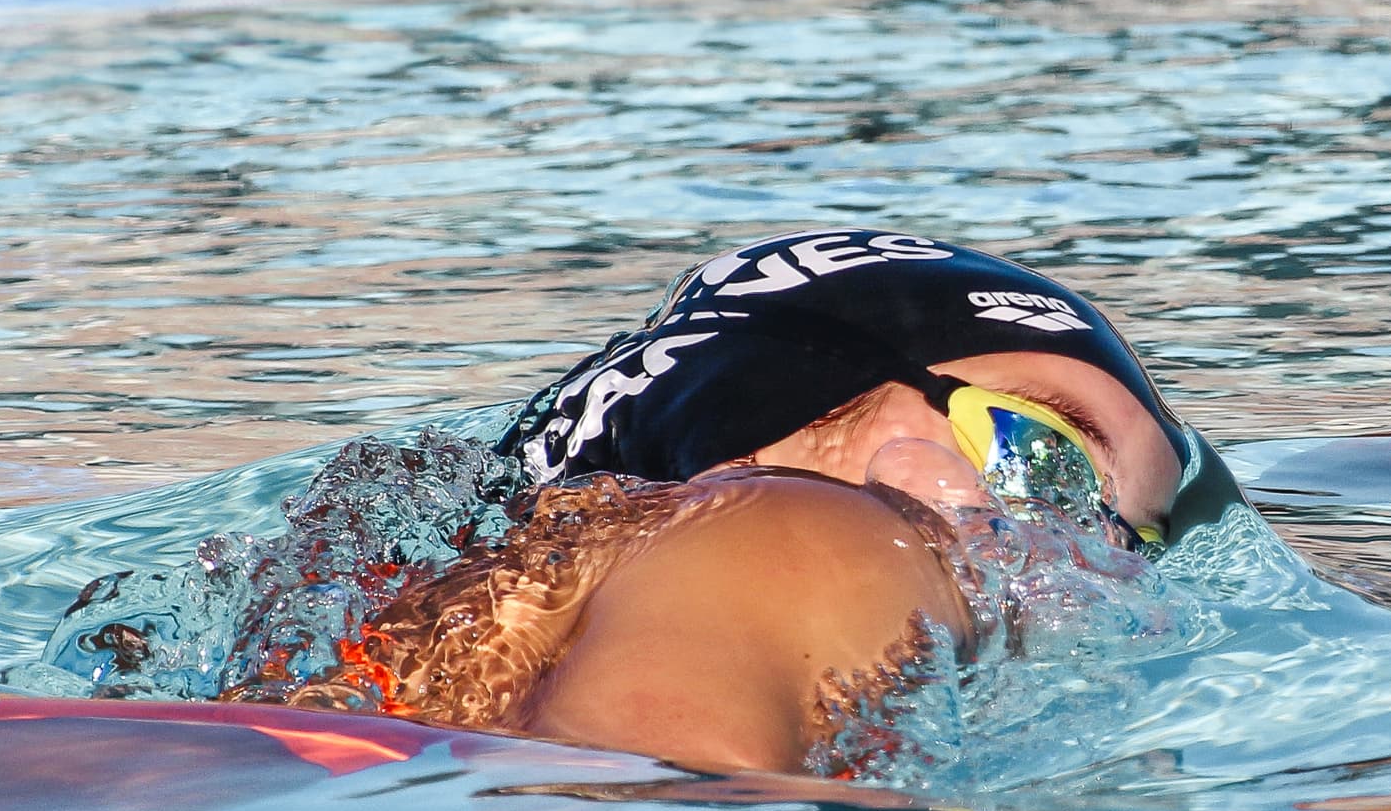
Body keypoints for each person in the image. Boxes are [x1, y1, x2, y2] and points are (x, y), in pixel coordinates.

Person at [227, 229, 1237, 774]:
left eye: (1129, 534)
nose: (1087, 553)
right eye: (1047, 458)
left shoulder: (499, 596)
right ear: (780, 413)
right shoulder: (802, 526)